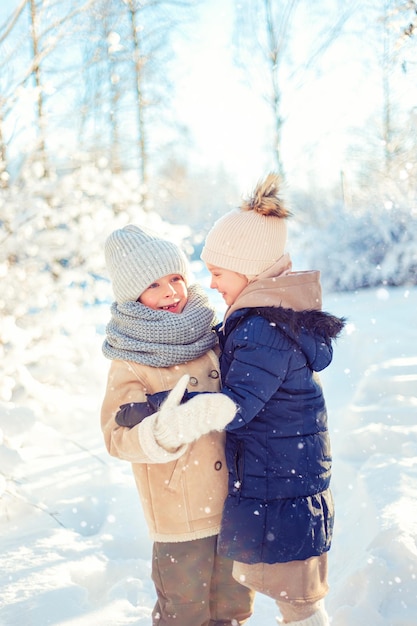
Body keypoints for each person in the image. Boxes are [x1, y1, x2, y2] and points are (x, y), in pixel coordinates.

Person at [198, 173, 346, 626]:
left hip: (281, 488)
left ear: (248, 270)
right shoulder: (267, 320)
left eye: (218, 272)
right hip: (285, 482)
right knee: (296, 597)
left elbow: (236, 407)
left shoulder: (262, 329)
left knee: (299, 605)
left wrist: (172, 404)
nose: (212, 283)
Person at [100, 225, 254, 626]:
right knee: (184, 613)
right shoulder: (131, 358)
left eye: (175, 278)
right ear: (133, 297)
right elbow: (116, 437)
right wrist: (159, 434)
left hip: (234, 505)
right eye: (154, 284)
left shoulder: (213, 336)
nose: (171, 291)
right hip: (179, 516)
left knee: (234, 608)